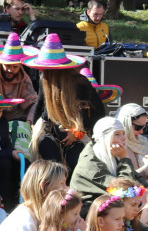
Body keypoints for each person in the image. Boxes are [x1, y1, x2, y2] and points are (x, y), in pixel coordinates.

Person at [27, 34, 100, 172]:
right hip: (48, 132)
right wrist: (31, 126)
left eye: (48, 67)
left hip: (76, 133)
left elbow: (99, 113)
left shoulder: (80, 83)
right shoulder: (45, 80)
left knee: (73, 164)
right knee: (53, 166)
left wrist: (78, 133)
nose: (43, 70)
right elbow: (39, 106)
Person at [69, 116, 148, 211]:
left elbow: (135, 178)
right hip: (90, 214)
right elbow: (122, 189)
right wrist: (124, 158)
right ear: (105, 137)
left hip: (110, 212)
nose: (123, 138)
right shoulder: (89, 162)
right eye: (117, 134)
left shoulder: (110, 154)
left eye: (123, 133)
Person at [0, 32, 38, 123]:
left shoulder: (24, 77)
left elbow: (33, 102)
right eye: (8, 66)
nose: (10, 70)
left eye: (15, 67)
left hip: (19, 120)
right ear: (1, 62)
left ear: (20, 66)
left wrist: (29, 122)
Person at [116, 103, 148, 183]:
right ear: (126, 124)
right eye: (138, 127)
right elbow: (123, 182)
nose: (141, 131)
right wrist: (146, 168)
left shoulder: (142, 141)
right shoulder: (116, 146)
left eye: (144, 127)